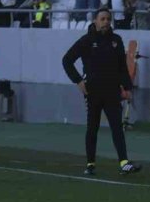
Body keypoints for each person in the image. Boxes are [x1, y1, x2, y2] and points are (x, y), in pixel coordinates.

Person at [61, 9, 142, 176]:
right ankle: (90, 163)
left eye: (108, 19)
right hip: (93, 92)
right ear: (96, 21)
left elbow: (122, 67)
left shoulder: (116, 41)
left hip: (112, 91)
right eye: (102, 19)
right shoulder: (87, 41)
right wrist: (78, 81)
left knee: (117, 127)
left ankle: (124, 162)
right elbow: (67, 60)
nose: (106, 22)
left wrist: (127, 87)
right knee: (93, 127)